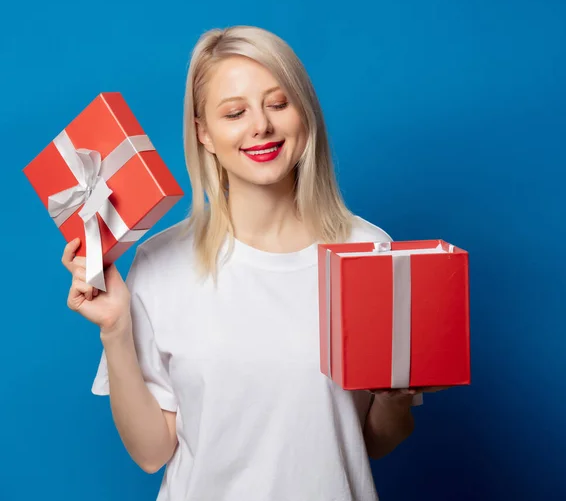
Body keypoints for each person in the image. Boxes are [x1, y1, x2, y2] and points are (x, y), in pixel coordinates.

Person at [61, 25, 445, 501]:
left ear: (304, 114)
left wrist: (399, 395)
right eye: (234, 112)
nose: (260, 125)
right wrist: (115, 329)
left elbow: (373, 440)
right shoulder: (161, 263)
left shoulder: (369, 251)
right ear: (204, 132)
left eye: (278, 104)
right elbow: (151, 452)